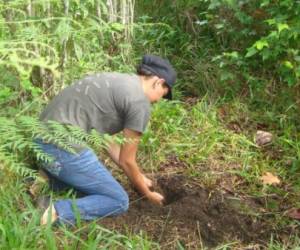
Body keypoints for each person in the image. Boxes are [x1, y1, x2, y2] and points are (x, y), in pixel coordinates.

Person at [35, 55, 177, 225]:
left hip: (40, 141)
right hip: (62, 147)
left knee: (93, 186)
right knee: (118, 200)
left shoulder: (118, 81)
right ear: (158, 82)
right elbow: (127, 160)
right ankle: (54, 213)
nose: (159, 100)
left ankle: (46, 180)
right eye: (163, 93)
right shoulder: (139, 102)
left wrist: (138, 176)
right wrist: (147, 194)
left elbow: (106, 142)